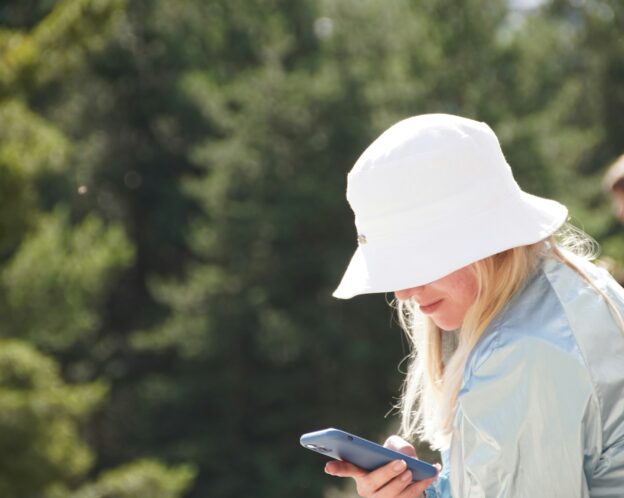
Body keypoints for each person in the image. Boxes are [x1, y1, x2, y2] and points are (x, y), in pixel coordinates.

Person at [323, 114, 624, 497]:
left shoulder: (521, 353)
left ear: (482, 241)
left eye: (414, 261)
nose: (402, 291)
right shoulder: (567, 286)